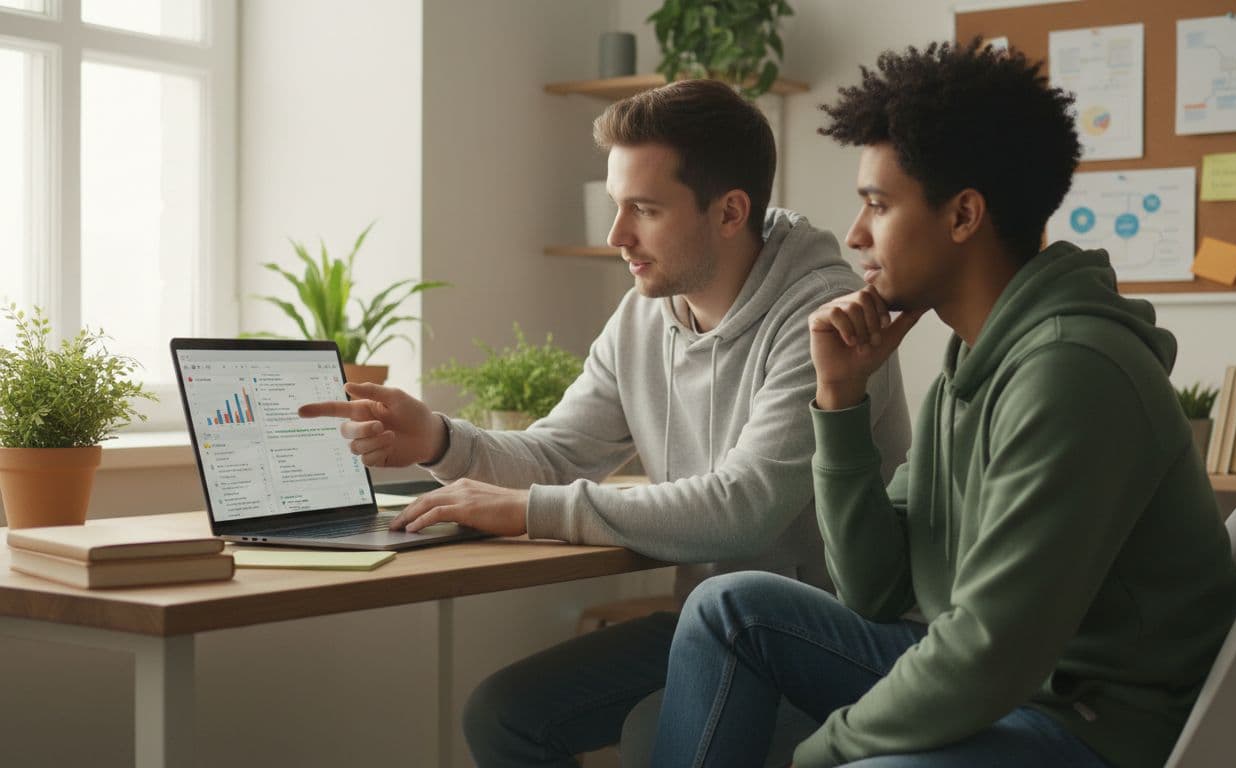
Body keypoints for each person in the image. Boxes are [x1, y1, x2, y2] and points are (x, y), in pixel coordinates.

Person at [650, 41, 1236, 768]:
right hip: (1010, 684)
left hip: (1084, 722)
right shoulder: (975, 359)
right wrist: (840, 399)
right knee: (729, 609)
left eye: (877, 204)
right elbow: (876, 588)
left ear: (963, 214)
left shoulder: (1071, 373)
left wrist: (821, 752)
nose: (856, 235)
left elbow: (993, 653)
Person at [298, 78, 910, 766]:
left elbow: (745, 510)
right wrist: (440, 440)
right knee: (506, 716)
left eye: (644, 210)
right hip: (703, 624)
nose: (618, 236)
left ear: (731, 211)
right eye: (618, 206)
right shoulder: (645, 311)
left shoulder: (820, 319)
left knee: (656, 735)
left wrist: (530, 509)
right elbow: (561, 452)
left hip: (825, 645)